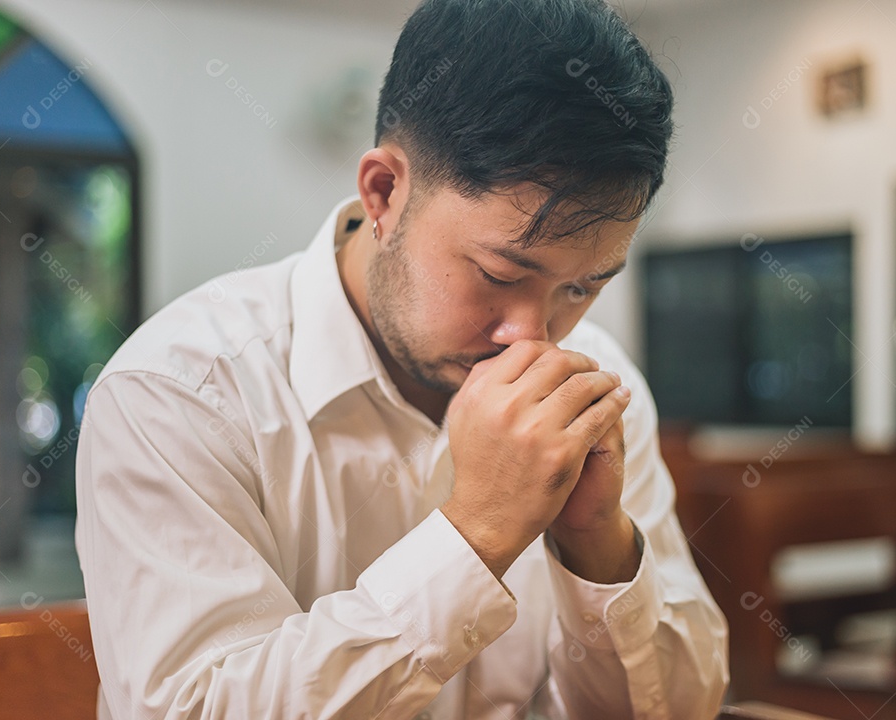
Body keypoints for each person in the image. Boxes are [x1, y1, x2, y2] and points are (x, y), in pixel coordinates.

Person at [74, 0, 729, 717]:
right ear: (383, 192)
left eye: (581, 288)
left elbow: (684, 709)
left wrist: (597, 548)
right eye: (500, 275)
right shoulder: (177, 395)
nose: (533, 338)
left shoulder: (598, 379)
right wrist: (476, 536)